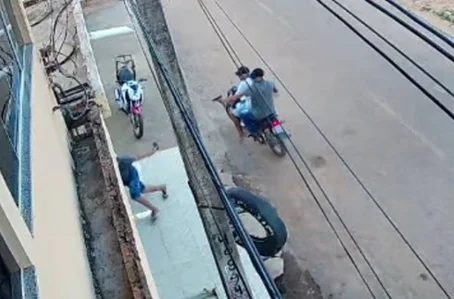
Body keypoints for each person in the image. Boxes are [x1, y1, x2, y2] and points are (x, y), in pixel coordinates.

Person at [117, 143, 168, 222]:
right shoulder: (120, 165)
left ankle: (154, 209)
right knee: (142, 189)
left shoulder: (123, 162)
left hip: (132, 174)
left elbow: (136, 157)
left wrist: (151, 152)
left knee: (135, 195)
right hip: (130, 174)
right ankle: (162, 187)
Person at [221, 68, 278, 136]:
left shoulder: (252, 88)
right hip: (272, 111)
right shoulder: (270, 83)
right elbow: (276, 91)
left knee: (243, 114)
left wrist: (224, 100)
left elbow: (236, 97)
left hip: (259, 114)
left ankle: (254, 131)